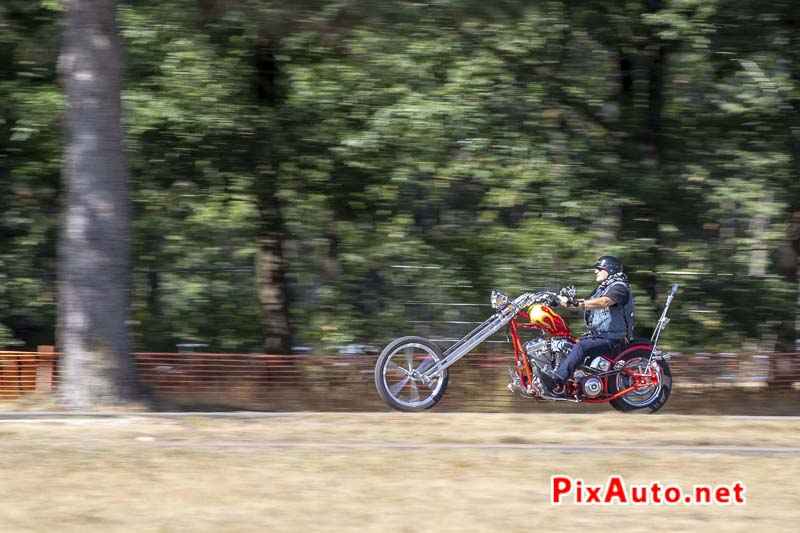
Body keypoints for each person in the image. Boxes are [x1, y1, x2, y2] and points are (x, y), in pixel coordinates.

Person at [540, 256, 634, 395]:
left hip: (615, 339)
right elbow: (584, 303)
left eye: (599, 269)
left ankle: (557, 381)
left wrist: (577, 303)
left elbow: (604, 302)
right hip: (601, 336)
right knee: (568, 343)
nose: (596, 271)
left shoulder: (619, 287)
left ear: (610, 269)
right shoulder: (603, 288)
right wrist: (560, 301)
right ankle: (573, 383)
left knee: (581, 347)